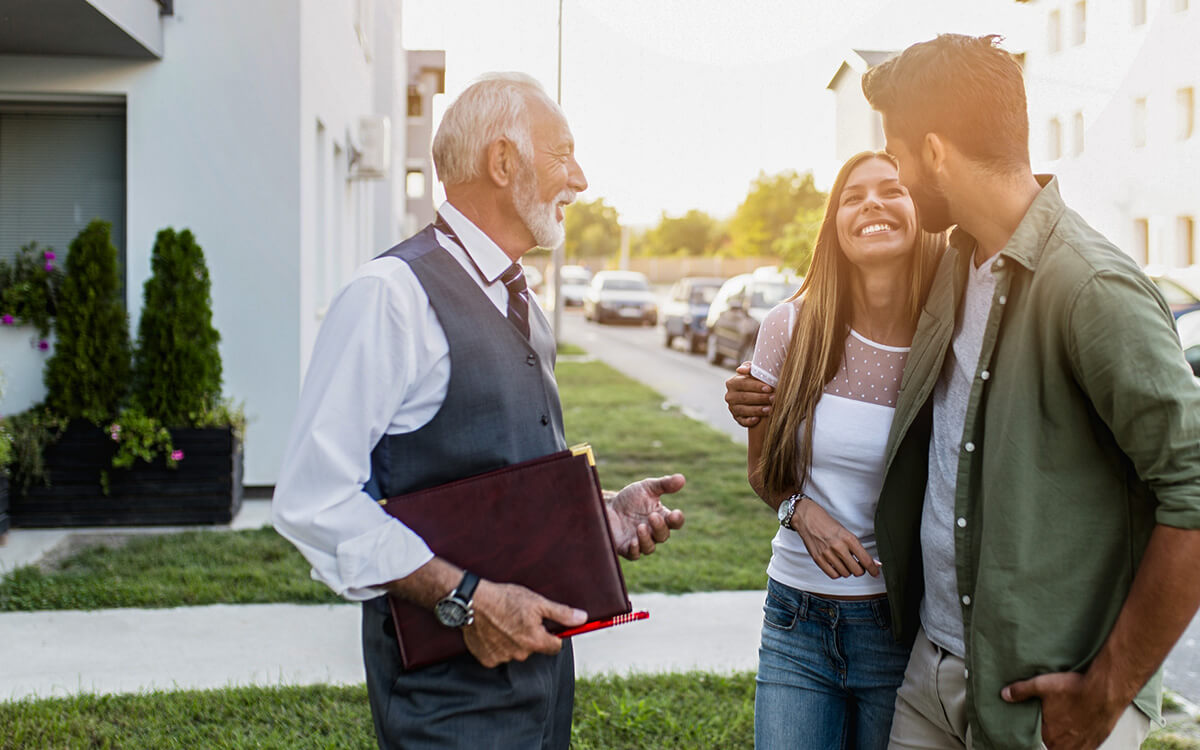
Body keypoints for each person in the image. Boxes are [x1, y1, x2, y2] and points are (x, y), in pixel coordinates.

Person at [727, 34, 1200, 750]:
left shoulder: (1092, 287)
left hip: (1039, 691)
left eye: (899, 153)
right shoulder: (956, 267)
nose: (897, 178)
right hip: (931, 667)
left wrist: (1112, 690)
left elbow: (1190, 488)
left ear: (937, 152)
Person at [272, 72, 685, 750]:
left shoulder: (519, 298)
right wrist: (466, 599)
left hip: (542, 687)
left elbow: (493, 473)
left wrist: (595, 515)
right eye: (563, 154)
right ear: (503, 161)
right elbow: (314, 500)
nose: (579, 179)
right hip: (448, 706)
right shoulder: (390, 296)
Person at [747, 150, 943, 749]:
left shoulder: (949, 338)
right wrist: (801, 511)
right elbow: (762, 470)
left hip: (899, 629)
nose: (872, 205)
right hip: (794, 622)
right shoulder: (790, 326)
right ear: (835, 222)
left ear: (921, 212)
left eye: (892, 190)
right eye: (853, 197)